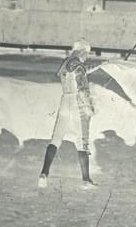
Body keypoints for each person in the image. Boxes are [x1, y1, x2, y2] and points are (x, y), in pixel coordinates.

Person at [39, 38, 105, 190]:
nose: (87, 56)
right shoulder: (79, 66)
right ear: (81, 51)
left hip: (65, 101)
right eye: (86, 53)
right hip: (77, 103)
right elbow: (82, 87)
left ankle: (43, 174)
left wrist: (100, 65)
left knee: (55, 139)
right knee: (82, 141)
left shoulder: (66, 63)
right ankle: (86, 180)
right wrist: (90, 107)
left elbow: (77, 70)